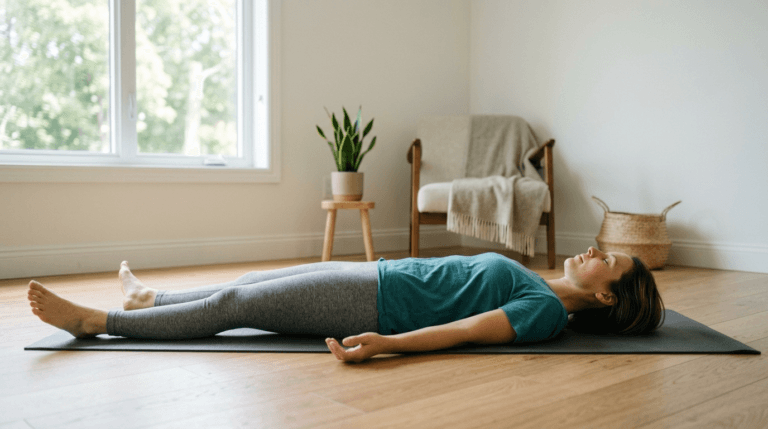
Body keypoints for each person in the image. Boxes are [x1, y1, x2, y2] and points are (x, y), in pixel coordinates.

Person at [27, 247, 664, 363]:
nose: (592, 250)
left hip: (371, 302)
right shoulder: (538, 283)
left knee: (235, 303)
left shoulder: (545, 312)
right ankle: (151, 299)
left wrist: (387, 345)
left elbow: (467, 330)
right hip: (374, 274)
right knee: (250, 279)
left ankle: (98, 322)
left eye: (606, 259)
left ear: (606, 294)